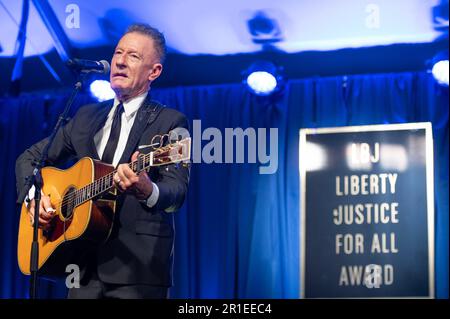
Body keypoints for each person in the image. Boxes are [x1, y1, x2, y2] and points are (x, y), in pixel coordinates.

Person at [15, 24, 190, 299]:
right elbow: (30, 158)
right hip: (81, 267)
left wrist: (148, 190)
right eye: (118, 52)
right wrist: (34, 199)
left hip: (137, 271)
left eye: (133, 56)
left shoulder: (170, 122)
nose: (119, 60)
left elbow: (176, 193)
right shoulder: (85, 117)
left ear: (153, 72)